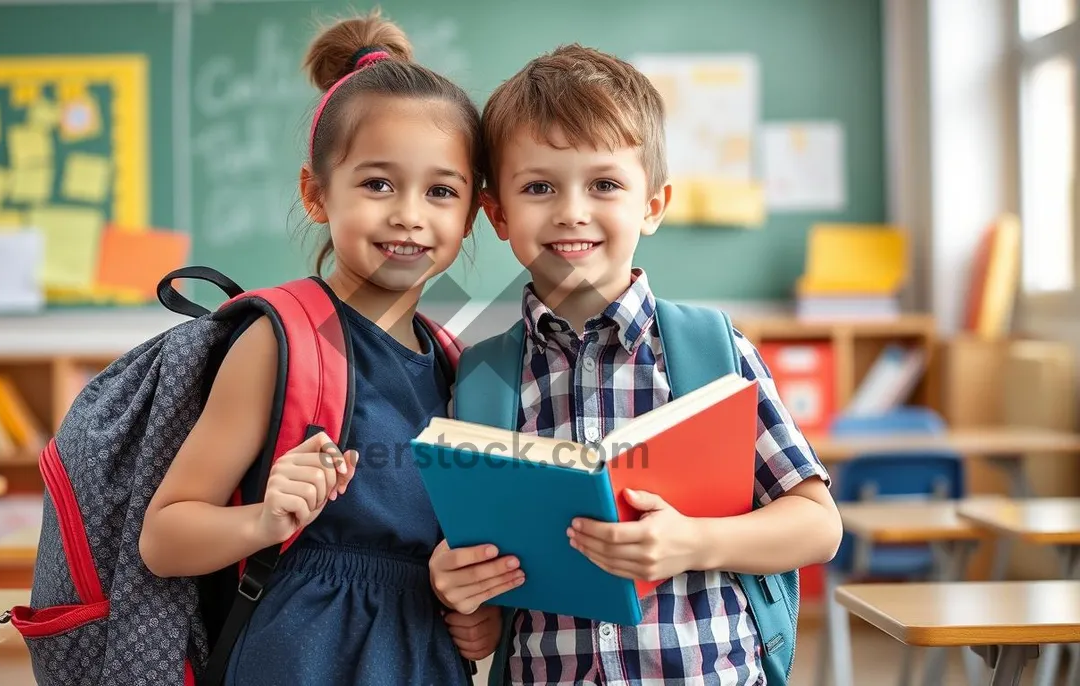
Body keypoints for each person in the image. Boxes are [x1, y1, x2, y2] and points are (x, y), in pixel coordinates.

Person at [429, 44, 843, 684]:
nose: (572, 209)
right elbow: (483, 612)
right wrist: (463, 596)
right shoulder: (481, 379)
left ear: (652, 204)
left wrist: (695, 542)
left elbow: (817, 525)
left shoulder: (713, 350)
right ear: (499, 215)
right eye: (539, 186)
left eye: (605, 184)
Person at [139, 11, 506, 684]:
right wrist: (263, 520)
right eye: (377, 183)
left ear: (473, 213)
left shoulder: (459, 366)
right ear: (316, 194)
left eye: (441, 191)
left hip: (423, 660)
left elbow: (449, 556)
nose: (409, 213)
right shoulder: (278, 342)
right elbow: (164, 539)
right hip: (299, 659)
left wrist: (475, 615)